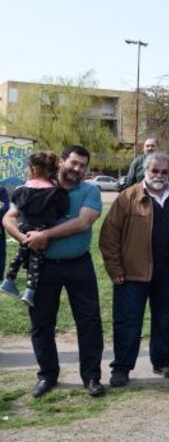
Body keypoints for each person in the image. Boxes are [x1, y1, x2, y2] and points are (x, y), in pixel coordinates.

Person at [2, 145, 106, 398]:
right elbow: (8, 218)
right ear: (61, 161)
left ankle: (91, 376)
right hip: (43, 267)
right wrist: (26, 239)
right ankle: (47, 375)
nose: (77, 169)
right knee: (41, 323)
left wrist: (45, 235)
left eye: (82, 165)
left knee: (89, 321)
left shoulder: (89, 191)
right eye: (73, 163)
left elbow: (83, 222)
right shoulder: (35, 187)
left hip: (79, 264)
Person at [100, 151, 169, 387]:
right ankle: (121, 367)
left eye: (164, 171)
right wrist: (115, 268)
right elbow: (109, 236)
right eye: (155, 171)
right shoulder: (128, 197)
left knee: (164, 319)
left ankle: (162, 361)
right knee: (128, 322)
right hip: (132, 272)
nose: (159, 175)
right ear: (145, 171)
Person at [1, 151, 69, 306]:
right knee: (35, 261)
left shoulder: (21, 189)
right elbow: (63, 210)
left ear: (33, 169)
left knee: (21, 253)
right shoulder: (56, 192)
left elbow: (17, 206)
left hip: (24, 229)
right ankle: (30, 291)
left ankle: (9, 279)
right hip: (40, 231)